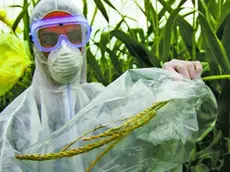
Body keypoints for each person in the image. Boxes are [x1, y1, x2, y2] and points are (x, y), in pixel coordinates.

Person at [0, 0, 205, 171]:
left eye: (74, 36)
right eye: (49, 39)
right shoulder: (12, 123)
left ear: (84, 41)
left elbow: (153, 123)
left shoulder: (105, 101)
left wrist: (168, 82)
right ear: (34, 45)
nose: (64, 48)